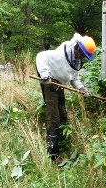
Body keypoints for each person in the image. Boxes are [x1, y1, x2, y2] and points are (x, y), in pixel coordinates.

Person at [36, 33, 96, 164]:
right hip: (50, 82)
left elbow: (75, 77)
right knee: (54, 117)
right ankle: (53, 155)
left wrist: (82, 88)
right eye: (82, 54)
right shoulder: (60, 54)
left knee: (63, 114)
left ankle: (62, 142)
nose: (82, 57)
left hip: (60, 84)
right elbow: (40, 56)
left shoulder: (76, 60)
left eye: (85, 56)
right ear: (77, 48)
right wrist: (45, 75)